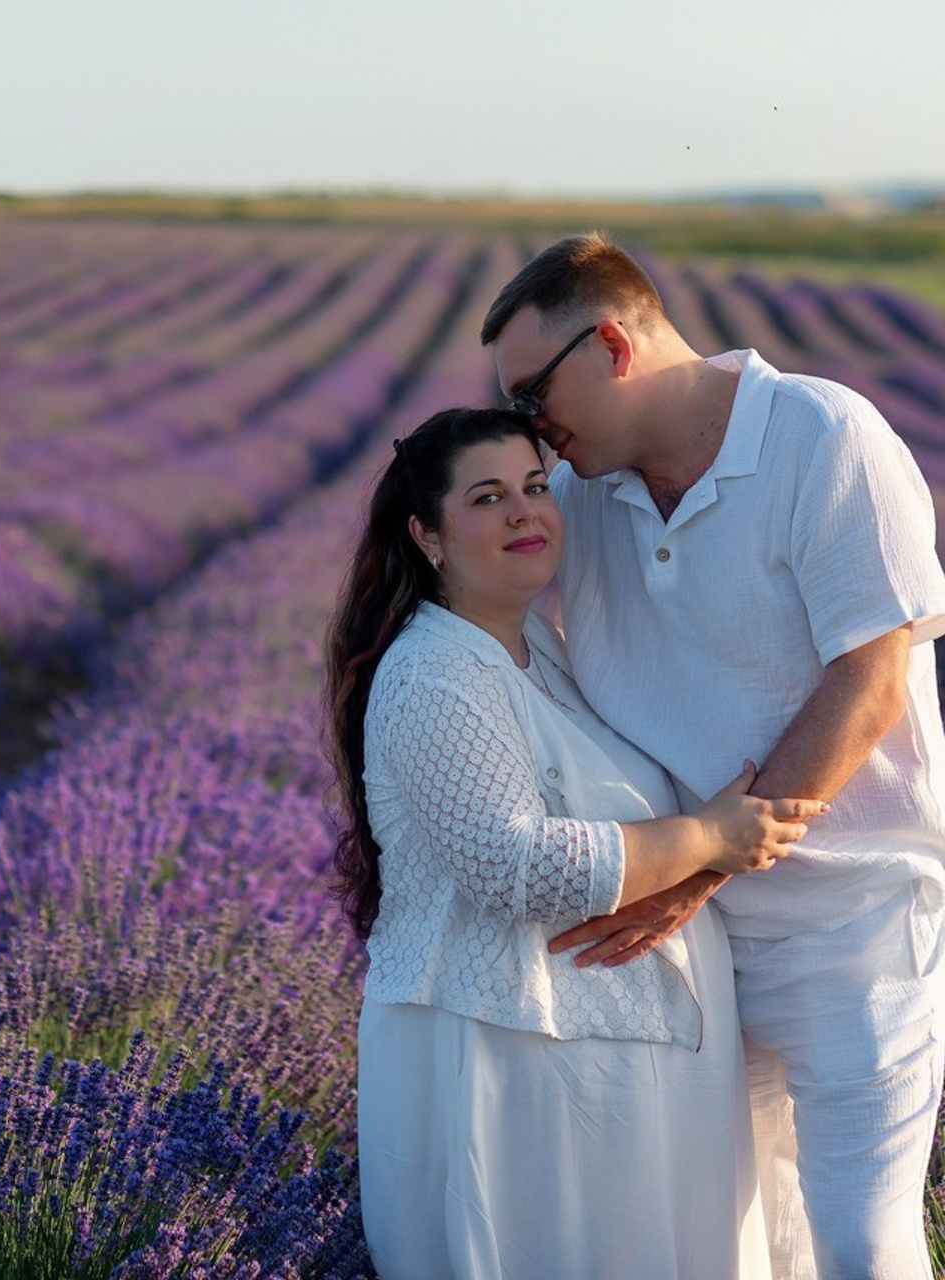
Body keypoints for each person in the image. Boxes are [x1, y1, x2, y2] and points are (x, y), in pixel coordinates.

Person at [480, 232, 945, 1280]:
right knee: (710, 1247)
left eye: (530, 397)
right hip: (679, 947)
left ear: (608, 344)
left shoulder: (821, 435)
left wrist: (692, 865)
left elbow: (865, 684)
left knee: (859, 1248)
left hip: (852, 929)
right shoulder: (582, 496)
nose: (530, 431)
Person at [325, 406, 825, 1279]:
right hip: (509, 1069)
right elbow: (513, 865)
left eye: (533, 486)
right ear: (427, 536)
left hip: (592, 1072)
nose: (524, 512)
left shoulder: (539, 651)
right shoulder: (436, 673)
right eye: (487, 498)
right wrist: (710, 835)